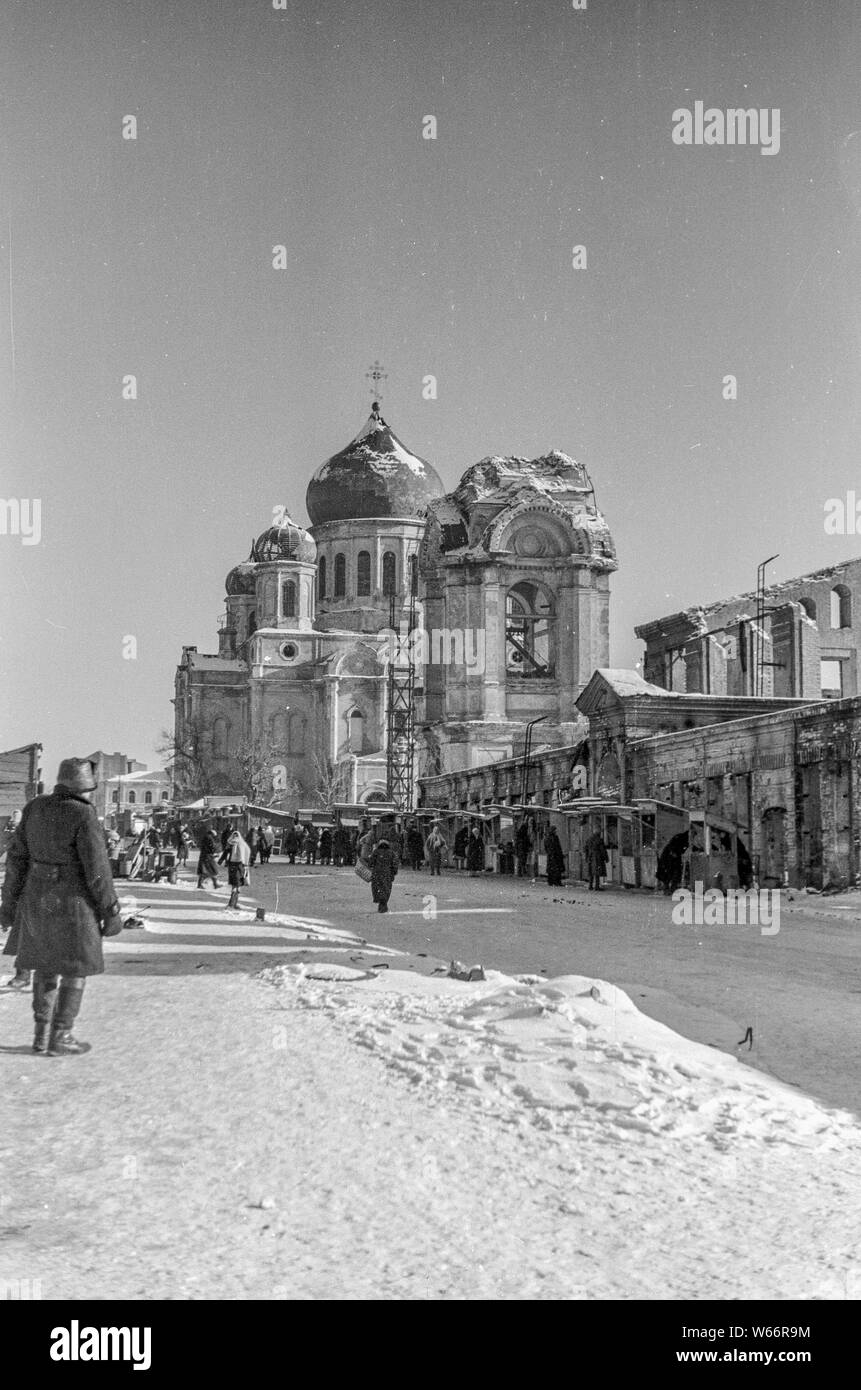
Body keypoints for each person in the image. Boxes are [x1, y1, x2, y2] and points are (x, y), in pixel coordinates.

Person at [0, 757, 120, 1056]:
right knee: (74, 969)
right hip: (73, 904)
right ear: (84, 788)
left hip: (36, 899)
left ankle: (41, 1036)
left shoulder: (34, 808)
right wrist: (110, 910)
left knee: (44, 966)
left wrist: (8, 903)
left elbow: (15, 860)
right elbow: (97, 870)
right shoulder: (83, 814)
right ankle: (62, 1035)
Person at [368, 837, 398, 913]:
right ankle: (383, 903)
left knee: (377, 888)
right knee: (386, 888)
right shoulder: (391, 853)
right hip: (387, 873)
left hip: (376, 873)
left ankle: (381, 903)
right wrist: (394, 872)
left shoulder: (376, 852)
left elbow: (370, 863)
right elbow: (395, 864)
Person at [224, 828, 251, 909]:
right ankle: (232, 904)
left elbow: (225, 853)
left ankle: (233, 903)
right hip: (239, 865)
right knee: (237, 885)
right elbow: (247, 852)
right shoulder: (242, 843)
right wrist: (245, 863)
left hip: (231, 865)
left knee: (235, 884)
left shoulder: (230, 843)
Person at [197, 823, 221, 889]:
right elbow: (213, 847)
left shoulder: (205, 837)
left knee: (207, 871)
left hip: (204, 856)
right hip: (208, 857)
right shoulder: (210, 838)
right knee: (213, 870)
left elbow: (201, 846)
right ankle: (215, 884)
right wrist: (215, 852)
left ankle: (214, 884)